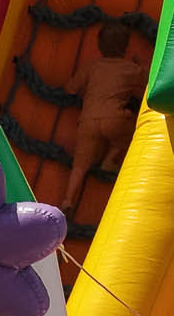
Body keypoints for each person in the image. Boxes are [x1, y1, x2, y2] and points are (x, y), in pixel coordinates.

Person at [60, 17, 149, 218]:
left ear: (99, 46)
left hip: (88, 121)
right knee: (132, 129)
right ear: (125, 47)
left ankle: (68, 199)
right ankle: (110, 159)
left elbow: (71, 88)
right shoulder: (128, 68)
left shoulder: (92, 66)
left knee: (79, 165)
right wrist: (140, 63)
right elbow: (148, 78)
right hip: (114, 119)